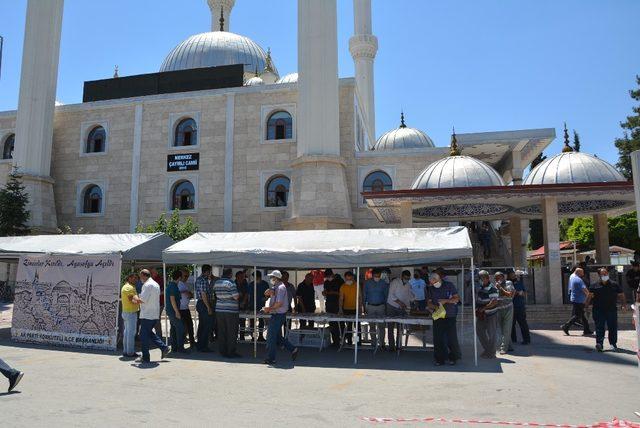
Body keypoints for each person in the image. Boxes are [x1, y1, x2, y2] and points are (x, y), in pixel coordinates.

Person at [586, 267, 627, 352]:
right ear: (599, 275)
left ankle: (613, 344)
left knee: (612, 327)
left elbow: (622, 295)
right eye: (603, 274)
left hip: (611, 310)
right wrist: (586, 306)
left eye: (606, 274)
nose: (605, 275)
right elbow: (589, 297)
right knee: (599, 327)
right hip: (598, 310)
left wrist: (623, 305)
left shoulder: (614, 284)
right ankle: (599, 344)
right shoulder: (594, 285)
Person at [134, 269, 170, 363]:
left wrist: (135, 298)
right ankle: (163, 347)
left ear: (144, 276)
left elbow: (142, 300)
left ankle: (145, 357)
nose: (140, 279)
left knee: (143, 336)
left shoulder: (147, 285)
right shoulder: (155, 284)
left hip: (147, 314)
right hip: (154, 313)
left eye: (140, 277)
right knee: (148, 333)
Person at [263, 270, 298, 365]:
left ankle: (271, 358)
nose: (271, 279)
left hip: (278, 315)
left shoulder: (281, 288)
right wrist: (268, 292)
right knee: (277, 337)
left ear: (276, 278)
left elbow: (279, 304)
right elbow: (267, 294)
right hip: (276, 314)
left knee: (271, 337)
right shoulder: (276, 287)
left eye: (272, 277)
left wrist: (268, 309)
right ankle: (293, 349)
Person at [427, 272, 461, 365]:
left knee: (451, 338)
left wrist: (445, 301)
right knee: (438, 338)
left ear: (439, 279)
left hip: (450, 315)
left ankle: (453, 358)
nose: (434, 284)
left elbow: (457, 299)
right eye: (432, 283)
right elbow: (429, 303)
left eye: (435, 282)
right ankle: (439, 359)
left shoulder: (449, 285)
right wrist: (435, 307)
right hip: (438, 316)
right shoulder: (431, 289)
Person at [213, 268, 241, 358]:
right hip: (230, 310)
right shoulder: (231, 283)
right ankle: (231, 352)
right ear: (230, 274)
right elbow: (236, 297)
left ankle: (222, 351)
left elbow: (216, 295)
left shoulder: (216, 283)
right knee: (231, 332)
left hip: (219, 309)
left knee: (222, 331)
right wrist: (235, 296)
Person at [386, 270, 414, 351]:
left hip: (401, 308)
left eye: (408, 278)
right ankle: (391, 346)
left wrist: (413, 301)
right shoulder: (395, 282)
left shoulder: (408, 284)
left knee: (400, 328)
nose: (407, 280)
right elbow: (391, 294)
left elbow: (409, 296)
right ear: (402, 276)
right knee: (390, 327)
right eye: (405, 278)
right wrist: (400, 303)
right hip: (391, 306)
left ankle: (398, 345)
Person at [475, 270, 499, 359]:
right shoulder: (481, 287)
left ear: (487, 278)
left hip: (491, 314)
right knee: (479, 331)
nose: (480, 280)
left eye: (481, 278)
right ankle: (488, 350)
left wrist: (483, 308)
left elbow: (494, 302)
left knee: (491, 333)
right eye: (479, 279)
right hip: (481, 314)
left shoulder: (492, 288)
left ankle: (491, 352)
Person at [561, 267, 592, 336]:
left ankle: (587, 329)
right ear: (578, 273)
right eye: (582, 273)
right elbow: (585, 290)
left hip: (575, 298)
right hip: (579, 300)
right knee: (577, 315)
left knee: (582, 315)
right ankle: (566, 326)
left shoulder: (572, 276)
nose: (583, 274)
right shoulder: (578, 280)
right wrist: (590, 296)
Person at [363, 268, 389, 350]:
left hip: (381, 306)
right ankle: (373, 343)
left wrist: (385, 307)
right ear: (372, 275)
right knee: (372, 326)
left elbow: (386, 295)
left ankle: (382, 343)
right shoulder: (367, 283)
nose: (377, 277)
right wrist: (364, 307)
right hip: (370, 306)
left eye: (378, 276)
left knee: (382, 326)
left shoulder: (383, 283)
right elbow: (364, 295)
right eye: (375, 276)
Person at [195, 265, 215, 352]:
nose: (210, 273)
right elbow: (203, 294)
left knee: (202, 325)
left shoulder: (201, 279)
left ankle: (200, 345)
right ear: (206, 271)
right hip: (203, 304)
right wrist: (208, 307)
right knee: (207, 325)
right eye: (210, 271)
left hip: (201, 303)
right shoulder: (203, 280)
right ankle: (203, 346)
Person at [494, 271, 515, 354]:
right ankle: (509, 345)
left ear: (503, 277)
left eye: (498, 277)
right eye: (495, 278)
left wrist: (500, 288)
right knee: (503, 329)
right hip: (499, 309)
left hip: (508, 308)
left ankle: (504, 348)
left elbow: (509, 294)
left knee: (507, 328)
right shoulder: (495, 286)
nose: (497, 279)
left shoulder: (508, 283)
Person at [166, 270, 186, 353]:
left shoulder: (171, 285)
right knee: (180, 329)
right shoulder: (173, 286)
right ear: (179, 277)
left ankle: (174, 347)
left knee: (174, 329)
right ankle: (180, 348)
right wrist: (177, 312)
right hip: (173, 311)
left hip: (171, 311)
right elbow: (172, 300)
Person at [121, 272, 140, 358]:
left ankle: (126, 351)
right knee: (131, 333)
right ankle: (130, 352)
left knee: (127, 333)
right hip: (130, 312)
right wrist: (141, 302)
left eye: (136, 278)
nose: (136, 279)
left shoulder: (128, 286)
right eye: (134, 278)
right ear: (129, 278)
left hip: (127, 312)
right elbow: (131, 299)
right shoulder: (128, 287)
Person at [339, 271, 361, 345]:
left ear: (353, 278)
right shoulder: (342, 286)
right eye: (347, 279)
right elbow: (341, 298)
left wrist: (360, 309)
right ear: (345, 278)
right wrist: (340, 309)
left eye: (350, 279)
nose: (349, 281)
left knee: (357, 328)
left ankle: (357, 342)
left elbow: (360, 297)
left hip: (356, 309)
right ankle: (349, 342)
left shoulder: (357, 285)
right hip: (346, 309)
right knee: (348, 327)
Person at [509, 270, 530, 345]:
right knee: (511, 324)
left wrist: (515, 293)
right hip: (510, 307)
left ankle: (526, 339)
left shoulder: (518, 283)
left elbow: (522, 293)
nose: (513, 276)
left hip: (519, 306)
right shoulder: (508, 283)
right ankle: (513, 339)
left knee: (523, 323)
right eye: (511, 275)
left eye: (513, 274)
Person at [323, 269, 343, 347]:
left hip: (338, 304)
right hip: (329, 304)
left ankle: (342, 339)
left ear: (332, 274)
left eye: (329, 276)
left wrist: (333, 292)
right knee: (331, 323)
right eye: (327, 277)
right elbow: (325, 292)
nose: (328, 278)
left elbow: (342, 293)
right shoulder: (326, 282)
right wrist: (324, 293)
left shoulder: (339, 281)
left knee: (340, 323)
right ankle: (335, 341)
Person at [248, 270, 269, 341]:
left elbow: (268, 295)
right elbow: (248, 295)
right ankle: (253, 337)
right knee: (252, 322)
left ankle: (260, 336)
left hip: (261, 306)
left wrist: (266, 298)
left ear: (259, 277)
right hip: (252, 305)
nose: (254, 278)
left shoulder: (265, 284)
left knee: (261, 321)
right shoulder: (251, 284)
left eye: (255, 277)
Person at [178, 269, 196, 346]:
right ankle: (184, 341)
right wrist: (188, 293)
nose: (186, 277)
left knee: (189, 325)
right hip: (181, 308)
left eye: (187, 276)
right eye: (185, 276)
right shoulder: (179, 284)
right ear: (180, 276)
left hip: (185, 308)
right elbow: (187, 294)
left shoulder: (183, 284)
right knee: (185, 326)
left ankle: (191, 341)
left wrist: (188, 293)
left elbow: (189, 294)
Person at [149, 267, 164, 338]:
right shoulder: (151, 280)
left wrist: (155, 294)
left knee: (157, 320)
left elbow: (164, 291)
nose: (151, 274)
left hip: (159, 303)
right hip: (153, 303)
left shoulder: (160, 279)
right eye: (150, 273)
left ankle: (159, 336)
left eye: (152, 273)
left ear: (155, 273)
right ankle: (155, 336)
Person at [235, 270, 249, 340]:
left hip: (243, 304)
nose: (242, 278)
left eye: (242, 277)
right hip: (235, 305)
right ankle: (235, 336)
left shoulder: (245, 282)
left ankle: (242, 336)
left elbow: (246, 293)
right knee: (235, 321)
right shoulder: (233, 283)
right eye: (240, 277)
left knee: (243, 321)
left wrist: (243, 302)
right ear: (236, 277)